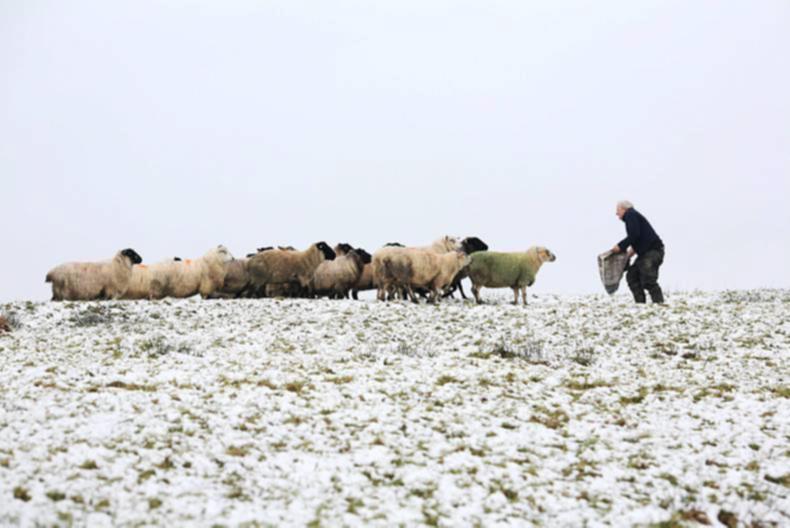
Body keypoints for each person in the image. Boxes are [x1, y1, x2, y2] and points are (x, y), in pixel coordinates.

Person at [611, 200, 665, 304]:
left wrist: (620, 246)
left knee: (648, 279)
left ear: (624, 209)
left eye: (618, 210)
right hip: (646, 253)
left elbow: (634, 235)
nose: (616, 213)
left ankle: (659, 304)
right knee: (632, 276)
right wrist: (627, 255)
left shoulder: (630, 214)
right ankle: (640, 306)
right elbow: (638, 238)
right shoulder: (633, 217)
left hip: (653, 252)